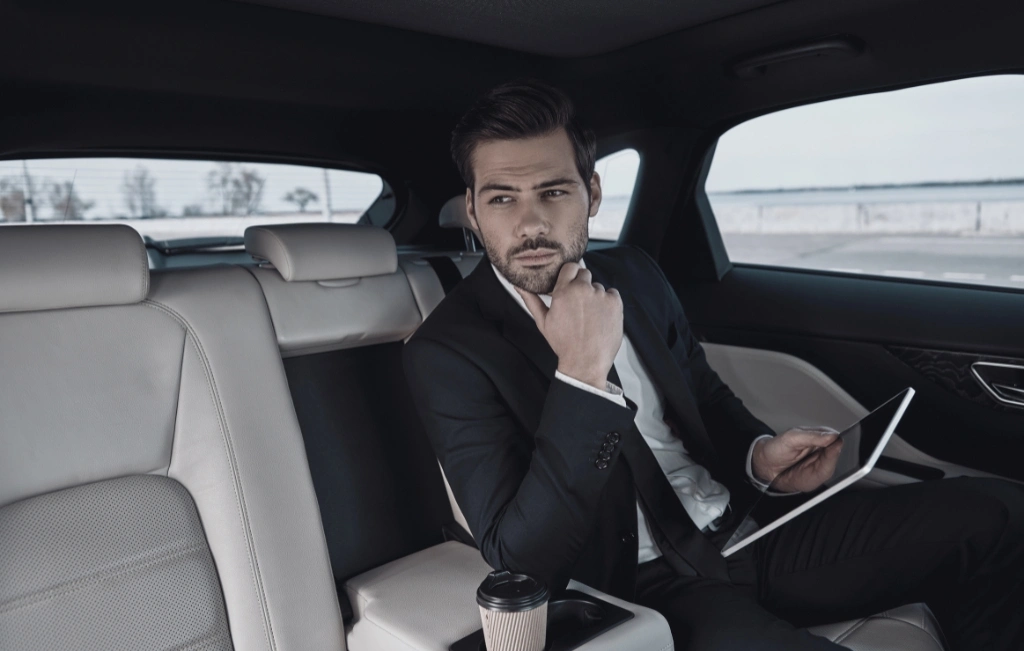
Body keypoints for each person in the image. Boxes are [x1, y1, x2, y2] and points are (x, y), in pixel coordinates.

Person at [403, 79, 1024, 650]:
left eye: (554, 191)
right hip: (641, 587)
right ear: (475, 210)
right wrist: (582, 376)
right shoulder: (449, 351)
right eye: (503, 198)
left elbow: (704, 395)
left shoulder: (635, 275)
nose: (531, 222)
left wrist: (759, 459)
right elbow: (523, 560)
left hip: (743, 531)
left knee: (999, 513)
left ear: (591, 194)